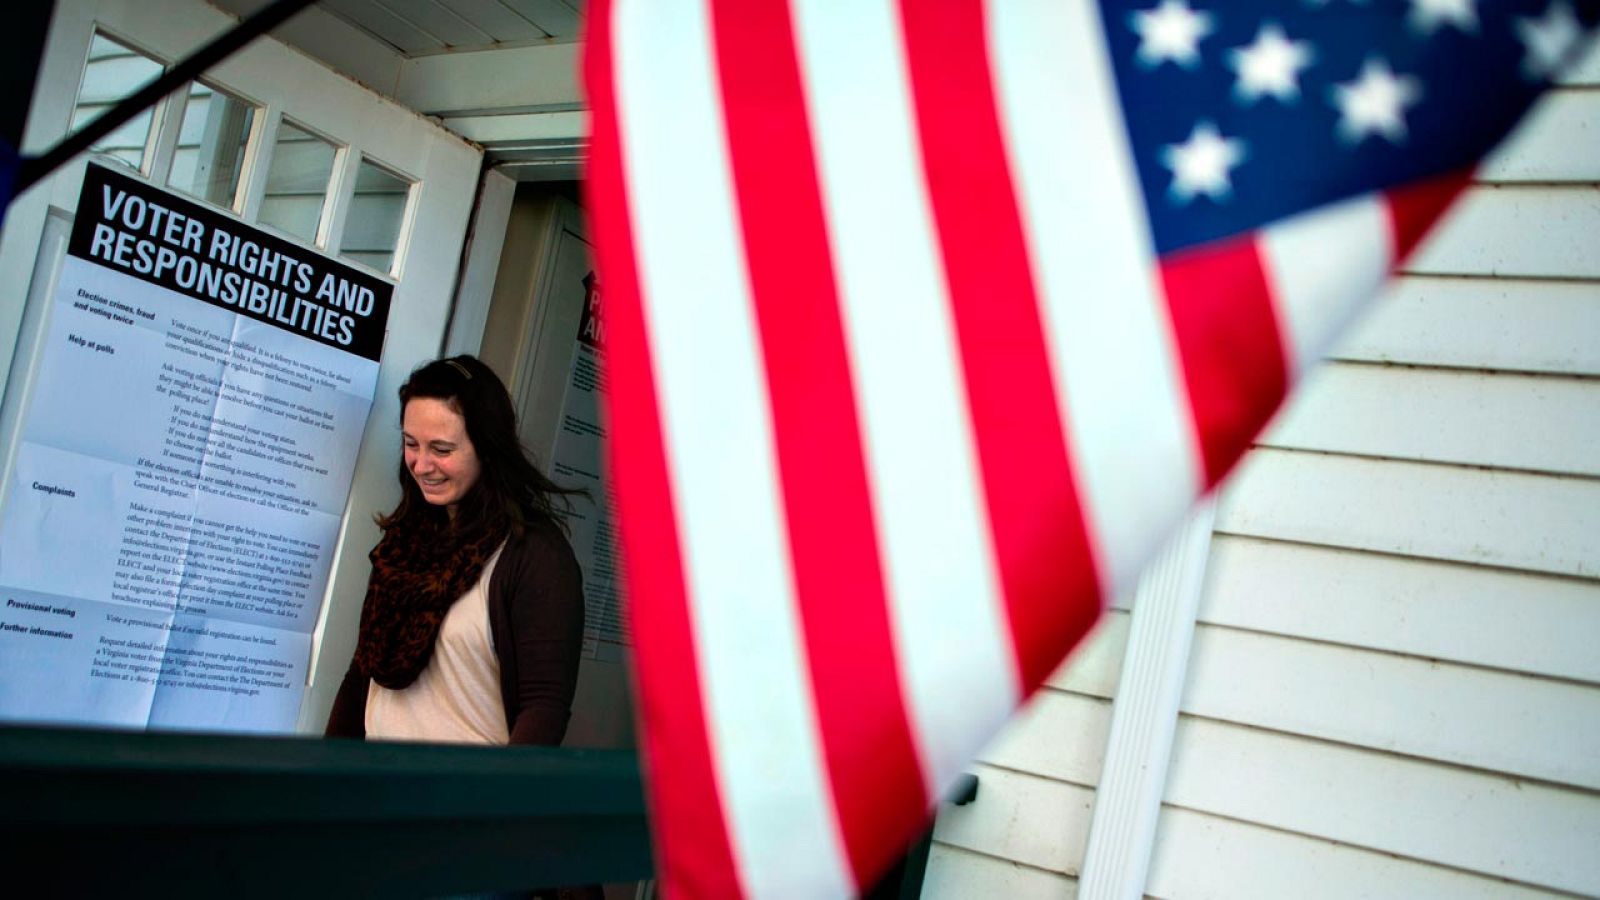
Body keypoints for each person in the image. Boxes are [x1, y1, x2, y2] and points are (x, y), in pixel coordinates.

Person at [326, 354, 584, 746]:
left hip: (466, 799)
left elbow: (543, 707)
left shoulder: (535, 556)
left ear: (487, 448)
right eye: (411, 444)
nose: (422, 465)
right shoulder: (402, 548)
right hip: (373, 793)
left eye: (442, 449)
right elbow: (361, 674)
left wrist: (495, 804)